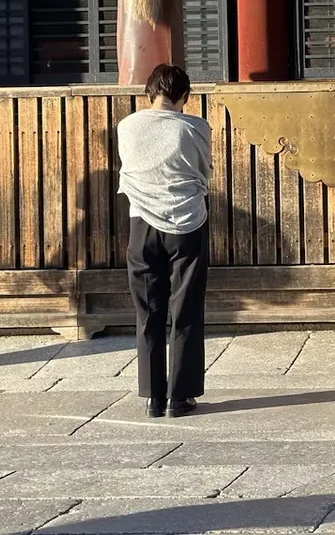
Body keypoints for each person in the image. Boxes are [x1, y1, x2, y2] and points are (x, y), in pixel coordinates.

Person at [117, 63, 213, 418]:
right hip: (186, 222)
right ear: (185, 96)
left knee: (148, 311)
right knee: (185, 308)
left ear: (149, 93)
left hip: (141, 222)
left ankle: (153, 397)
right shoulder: (196, 127)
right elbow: (203, 170)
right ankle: (179, 396)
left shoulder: (127, 125)